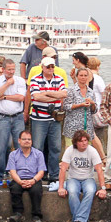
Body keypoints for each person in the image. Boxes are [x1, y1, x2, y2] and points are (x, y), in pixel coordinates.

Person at [58, 130, 106, 222]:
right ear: (75, 143)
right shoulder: (70, 150)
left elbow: (99, 170)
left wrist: (103, 188)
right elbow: (63, 169)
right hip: (73, 178)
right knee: (72, 192)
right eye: (81, 141)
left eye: (85, 141)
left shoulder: (92, 150)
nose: (84, 143)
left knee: (90, 191)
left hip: (88, 178)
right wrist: (61, 187)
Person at [29, 57, 68, 187]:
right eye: (48, 67)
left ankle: (54, 175)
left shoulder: (59, 79)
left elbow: (64, 94)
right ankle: (38, 173)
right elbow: (36, 96)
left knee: (55, 147)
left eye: (52, 66)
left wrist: (46, 93)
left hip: (55, 118)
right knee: (38, 147)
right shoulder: (35, 79)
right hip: (39, 118)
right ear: (42, 67)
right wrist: (54, 95)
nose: (51, 69)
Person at [0, 59, 27, 183]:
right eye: (9, 69)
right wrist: (7, 84)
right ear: (4, 69)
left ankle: (19, 173)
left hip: (17, 116)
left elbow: (21, 97)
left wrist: (4, 96)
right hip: (2, 117)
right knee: (1, 146)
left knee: (19, 146)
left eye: (13, 69)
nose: (11, 72)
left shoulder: (20, 80)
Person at [63, 66, 104, 161]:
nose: (83, 77)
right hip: (72, 125)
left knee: (85, 151)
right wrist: (80, 105)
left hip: (87, 126)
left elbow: (94, 110)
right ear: (77, 77)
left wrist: (92, 103)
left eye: (85, 75)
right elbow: (66, 106)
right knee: (70, 150)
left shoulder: (91, 92)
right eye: (81, 75)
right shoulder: (71, 90)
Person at [6, 130, 47, 222]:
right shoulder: (13, 154)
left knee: (36, 190)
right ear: (19, 140)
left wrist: (33, 181)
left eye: (29, 139)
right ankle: (17, 214)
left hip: (34, 179)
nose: (27, 141)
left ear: (32, 141)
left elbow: (41, 172)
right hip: (18, 179)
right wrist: (20, 181)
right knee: (15, 188)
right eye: (24, 139)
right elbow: (12, 171)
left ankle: (36, 216)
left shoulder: (39, 154)